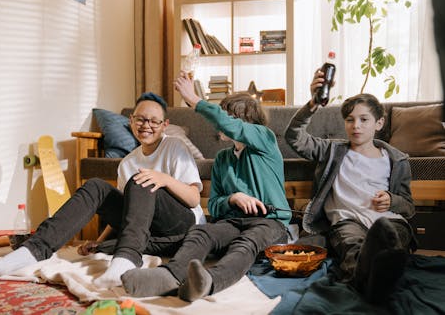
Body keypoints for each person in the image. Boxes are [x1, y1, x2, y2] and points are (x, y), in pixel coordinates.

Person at [0, 92, 205, 288]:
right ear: (131, 120)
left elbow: (194, 199)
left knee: (141, 180)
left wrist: (163, 178)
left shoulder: (174, 147)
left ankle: (126, 259)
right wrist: (99, 240)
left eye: (154, 121)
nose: (147, 125)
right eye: (141, 119)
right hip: (147, 234)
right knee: (97, 185)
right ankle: (31, 252)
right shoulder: (127, 162)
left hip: (182, 229)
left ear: (164, 125)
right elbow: (131, 214)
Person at [120, 72, 291, 301]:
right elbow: (215, 205)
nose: (217, 123)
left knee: (246, 243)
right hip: (232, 221)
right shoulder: (222, 159)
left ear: (242, 121)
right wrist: (233, 198)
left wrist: (194, 99)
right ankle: (170, 277)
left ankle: (209, 282)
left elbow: (231, 126)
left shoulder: (265, 140)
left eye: (225, 117)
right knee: (201, 232)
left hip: (271, 222)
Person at [285, 70, 416, 304]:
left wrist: (391, 200)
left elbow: (408, 206)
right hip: (348, 221)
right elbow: (294, 137)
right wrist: (314, 103)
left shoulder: (396, 160)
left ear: (379, 123)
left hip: (388, 219)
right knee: (352, 248)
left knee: (392, 238)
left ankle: (378, 272)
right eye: (350, 120)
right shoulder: (332, 150)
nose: (356, 126)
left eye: (364, 119)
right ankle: (371, 282)